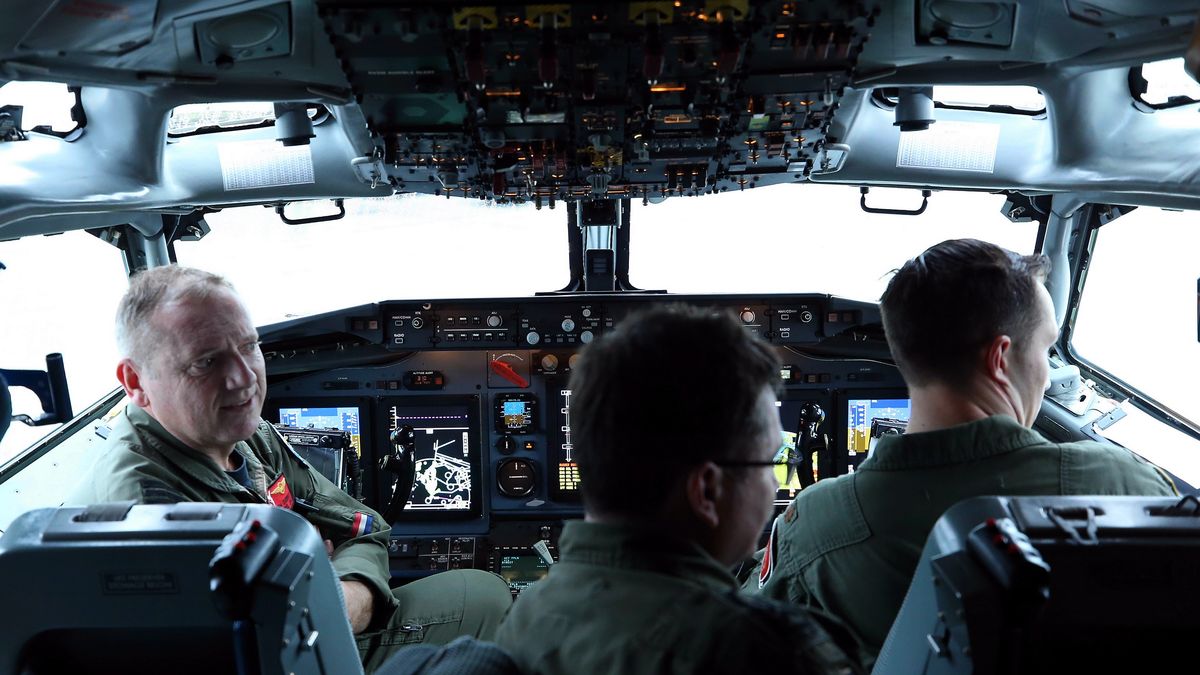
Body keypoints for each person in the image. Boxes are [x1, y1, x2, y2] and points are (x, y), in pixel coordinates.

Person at [748, 239, 1177, 662]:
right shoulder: (1123, 484)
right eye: (1046, 350)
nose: (1047, 379)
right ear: (1000, 358)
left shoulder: (815, 528)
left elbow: (736, 638)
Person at [68, 265, 512, 674]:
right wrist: (316, 582)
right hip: (281, 659)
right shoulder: (143, 507)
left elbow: (365, 527)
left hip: (316, 625)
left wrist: (345, 595)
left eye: (248, 346)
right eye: (206, 362)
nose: (243, 378)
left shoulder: (244, 433)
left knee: (485, 592)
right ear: (135, 382)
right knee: (491, 613)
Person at [493, 305, 864, 675]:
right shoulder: (761, 650)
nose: (772, 484)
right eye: (772, 461)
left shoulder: (523, 617)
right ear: (706, 489)